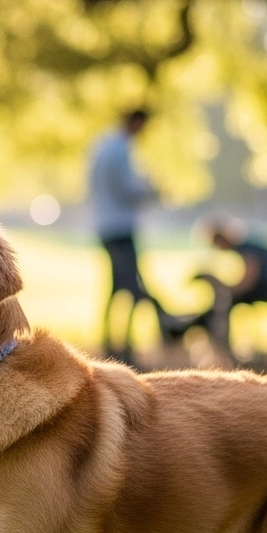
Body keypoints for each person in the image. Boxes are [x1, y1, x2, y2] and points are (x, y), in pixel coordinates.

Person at [88, 108, 166, 360]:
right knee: (131, 286)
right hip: (120, 227)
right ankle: (125, 347)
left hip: (106, 225)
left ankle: (112, 342)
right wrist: (154, 189)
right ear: (136, 122)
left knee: (117, 286)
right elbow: (127, 188)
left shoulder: (102, 145)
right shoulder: (119, 149)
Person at [169, 214, 267, 361]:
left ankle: (226, 349)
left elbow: (249, 279)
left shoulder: (246, 248)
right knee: (232, 300)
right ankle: (233, 347)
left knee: (229, 302)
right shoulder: (247, 246)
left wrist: (228, 292)